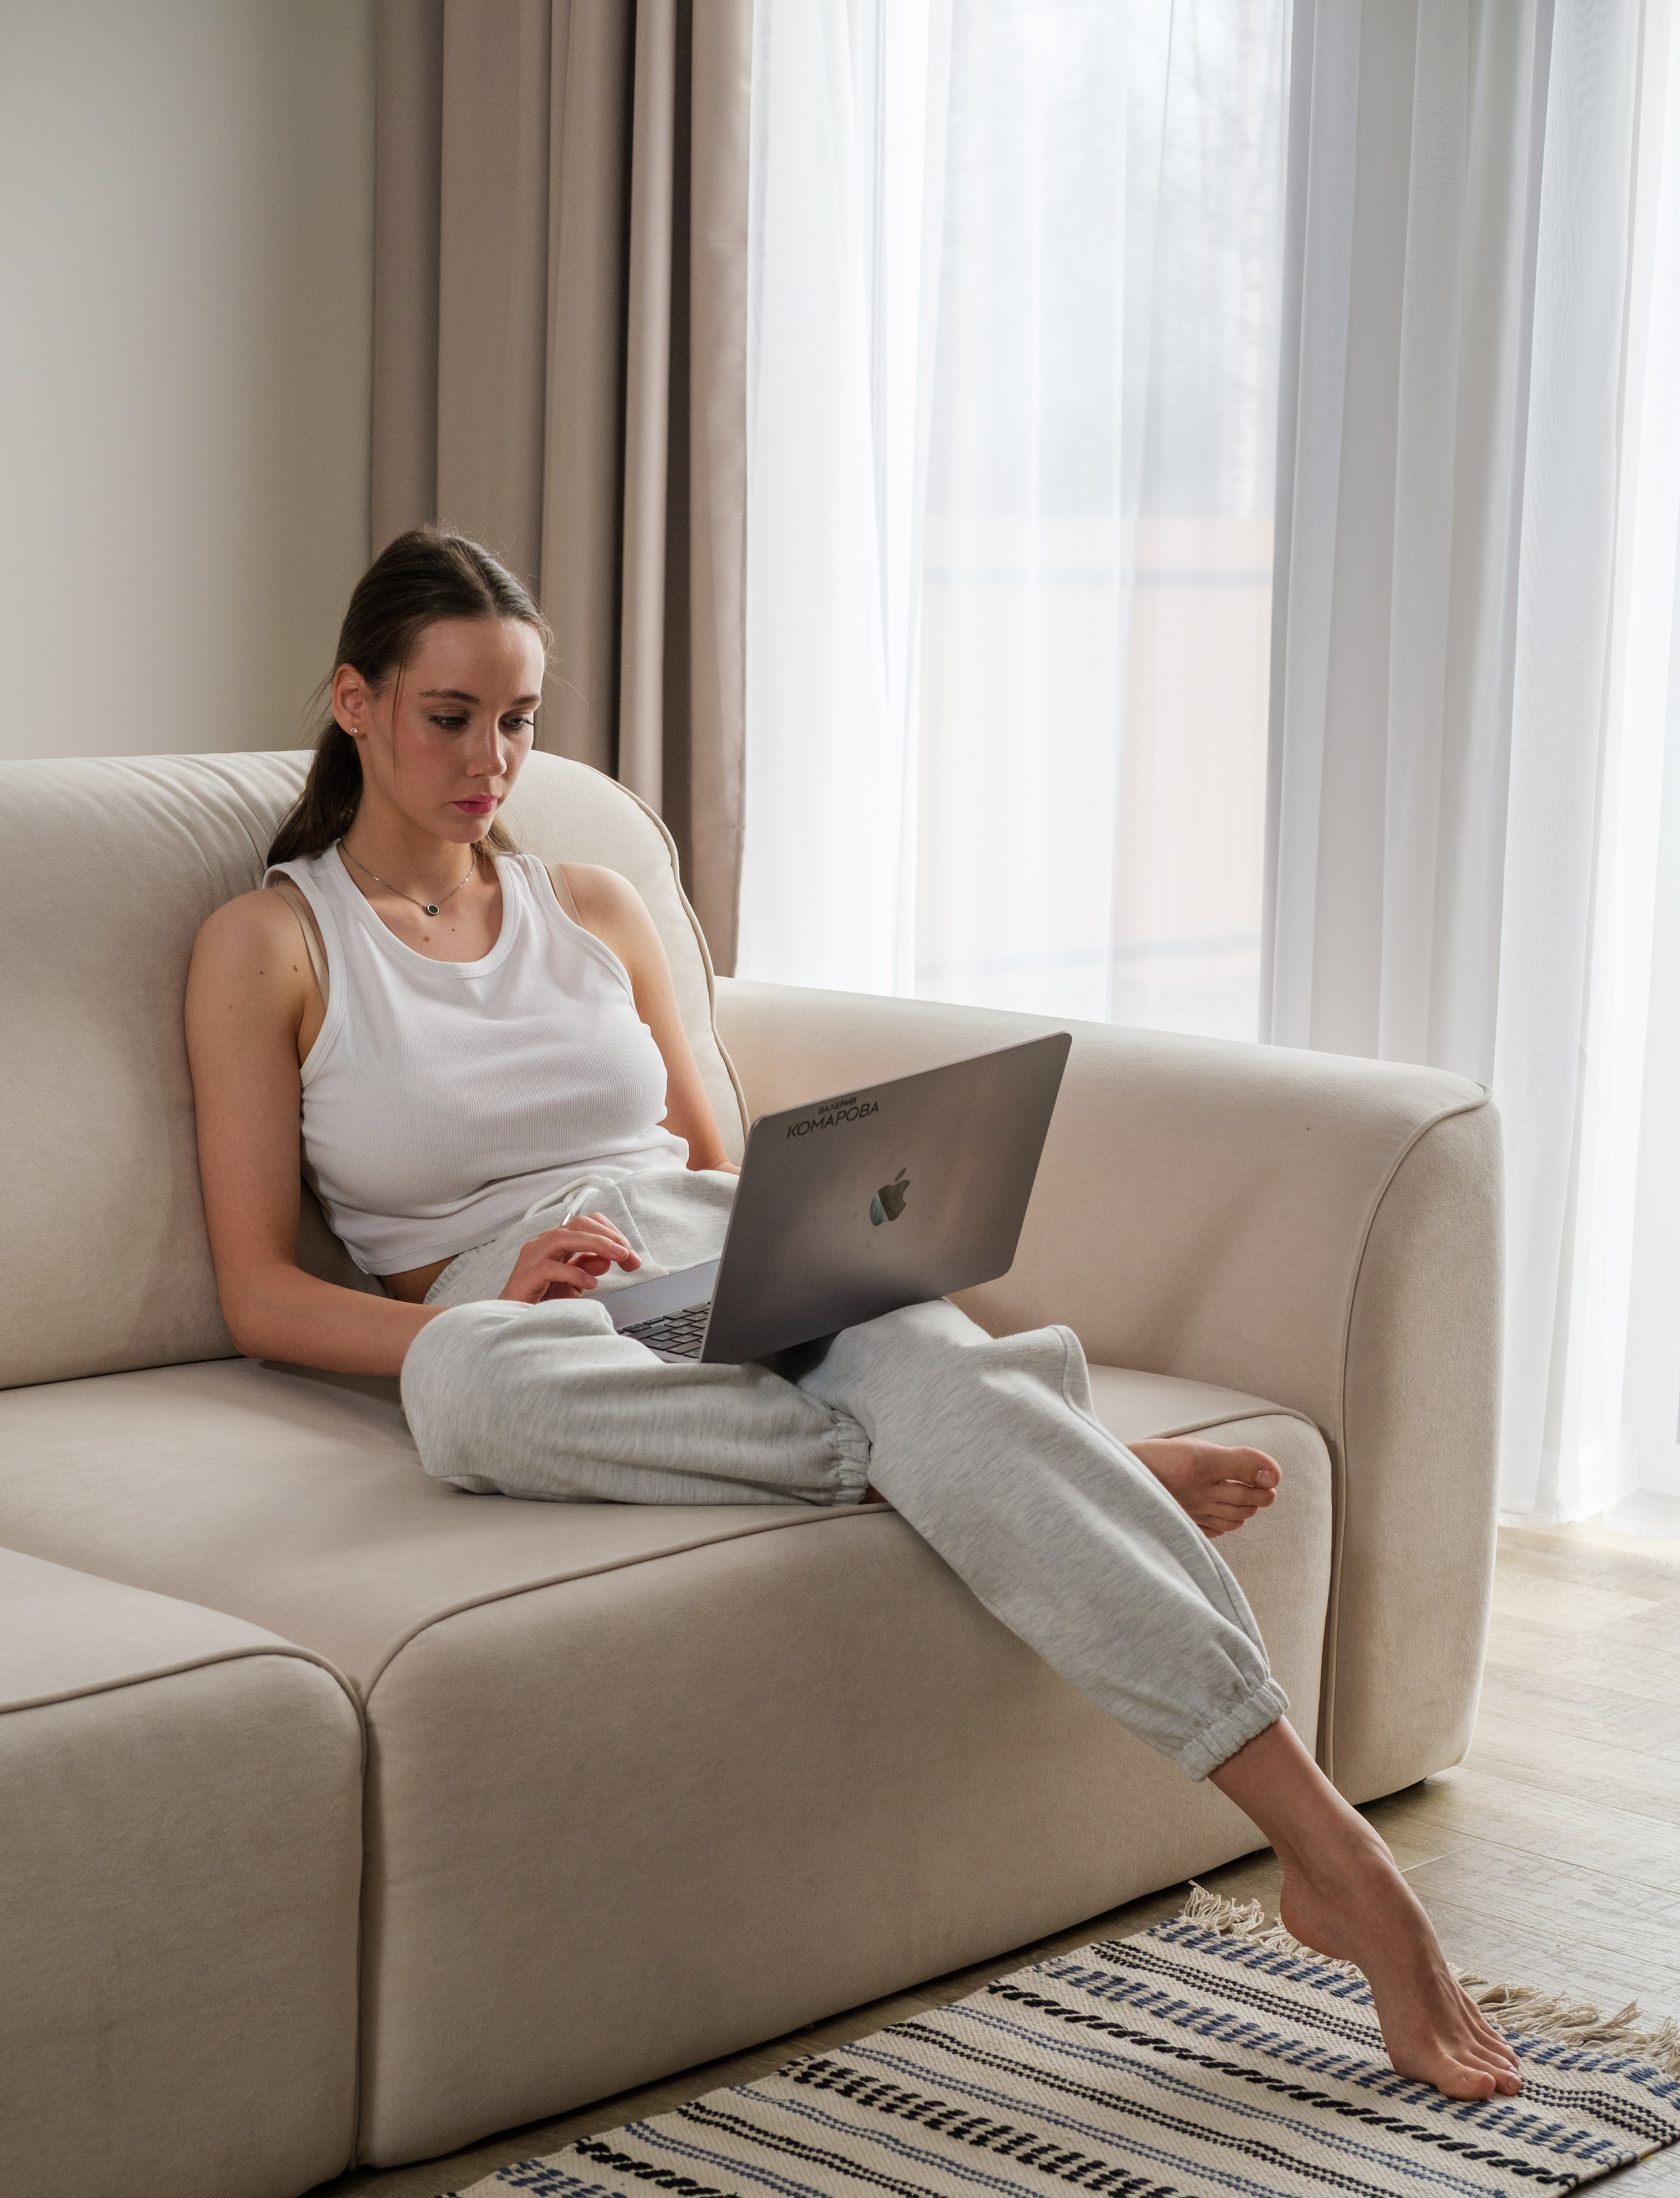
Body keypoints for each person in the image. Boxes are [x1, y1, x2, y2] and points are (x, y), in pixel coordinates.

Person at [185, 527, 1521, 2104]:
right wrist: (475, 1300)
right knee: (472, 1398)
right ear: (354, 703)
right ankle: (1004, 1440)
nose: (495, 759)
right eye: (451, 717)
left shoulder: (596, 903)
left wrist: (755, 1254)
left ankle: (1335, 1864)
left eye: (522, 719)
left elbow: (710, 1163)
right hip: (504, 1309)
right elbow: (263, 1292)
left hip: (702, 1253)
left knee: (866, 1337)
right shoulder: (271, 941)